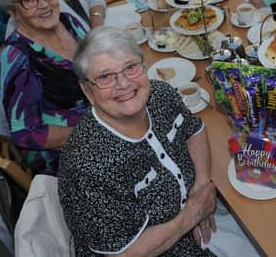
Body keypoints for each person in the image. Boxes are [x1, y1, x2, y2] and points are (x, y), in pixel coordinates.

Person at [58, 27, 217, 256]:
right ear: (86, 90)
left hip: (196, 217)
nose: (123, 84)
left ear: (143, 66)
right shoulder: (86, 168)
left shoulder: (160, 95)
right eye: (105, 76)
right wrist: (191, 216)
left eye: (130, 67)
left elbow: (194, 131)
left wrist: (201, 186)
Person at [0, 0, 89, 175]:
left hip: (104, 115)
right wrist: (92, 131)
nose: (44, 5)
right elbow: (24, 132)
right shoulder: (16, 56)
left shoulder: (68, 22)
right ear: (13, 12)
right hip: (65, 150)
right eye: (27, 0)